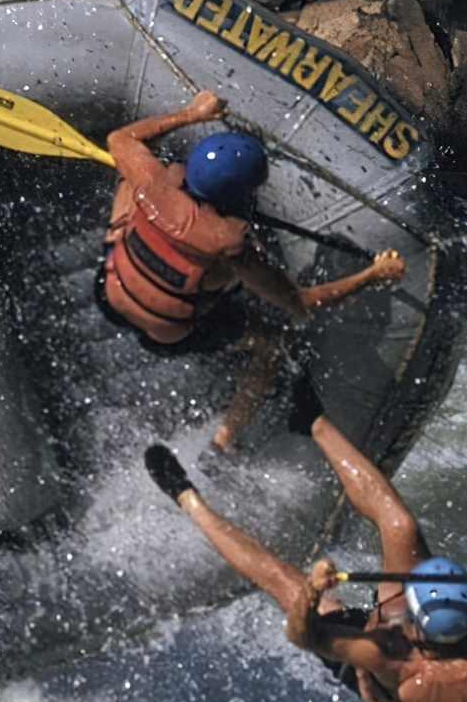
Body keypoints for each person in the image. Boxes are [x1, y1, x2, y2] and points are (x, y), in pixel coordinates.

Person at [143, 388, 467, 702]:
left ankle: (188, 499)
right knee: (401, 526)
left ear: (417, 624)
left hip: (371, 673)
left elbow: (302, 636)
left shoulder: (385, 654)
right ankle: (313, 419)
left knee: (282, 578)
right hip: (425, 643)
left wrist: (313, 595)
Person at [99, 89, 409, 452]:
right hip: (169, 333)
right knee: (278, 343)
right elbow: (301, 303)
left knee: (127, 182)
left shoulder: (150, 182)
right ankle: (225, 440)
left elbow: (119, 139)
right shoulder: (232, 249)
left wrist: (193, 113)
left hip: (109, 291)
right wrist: (373, 274)